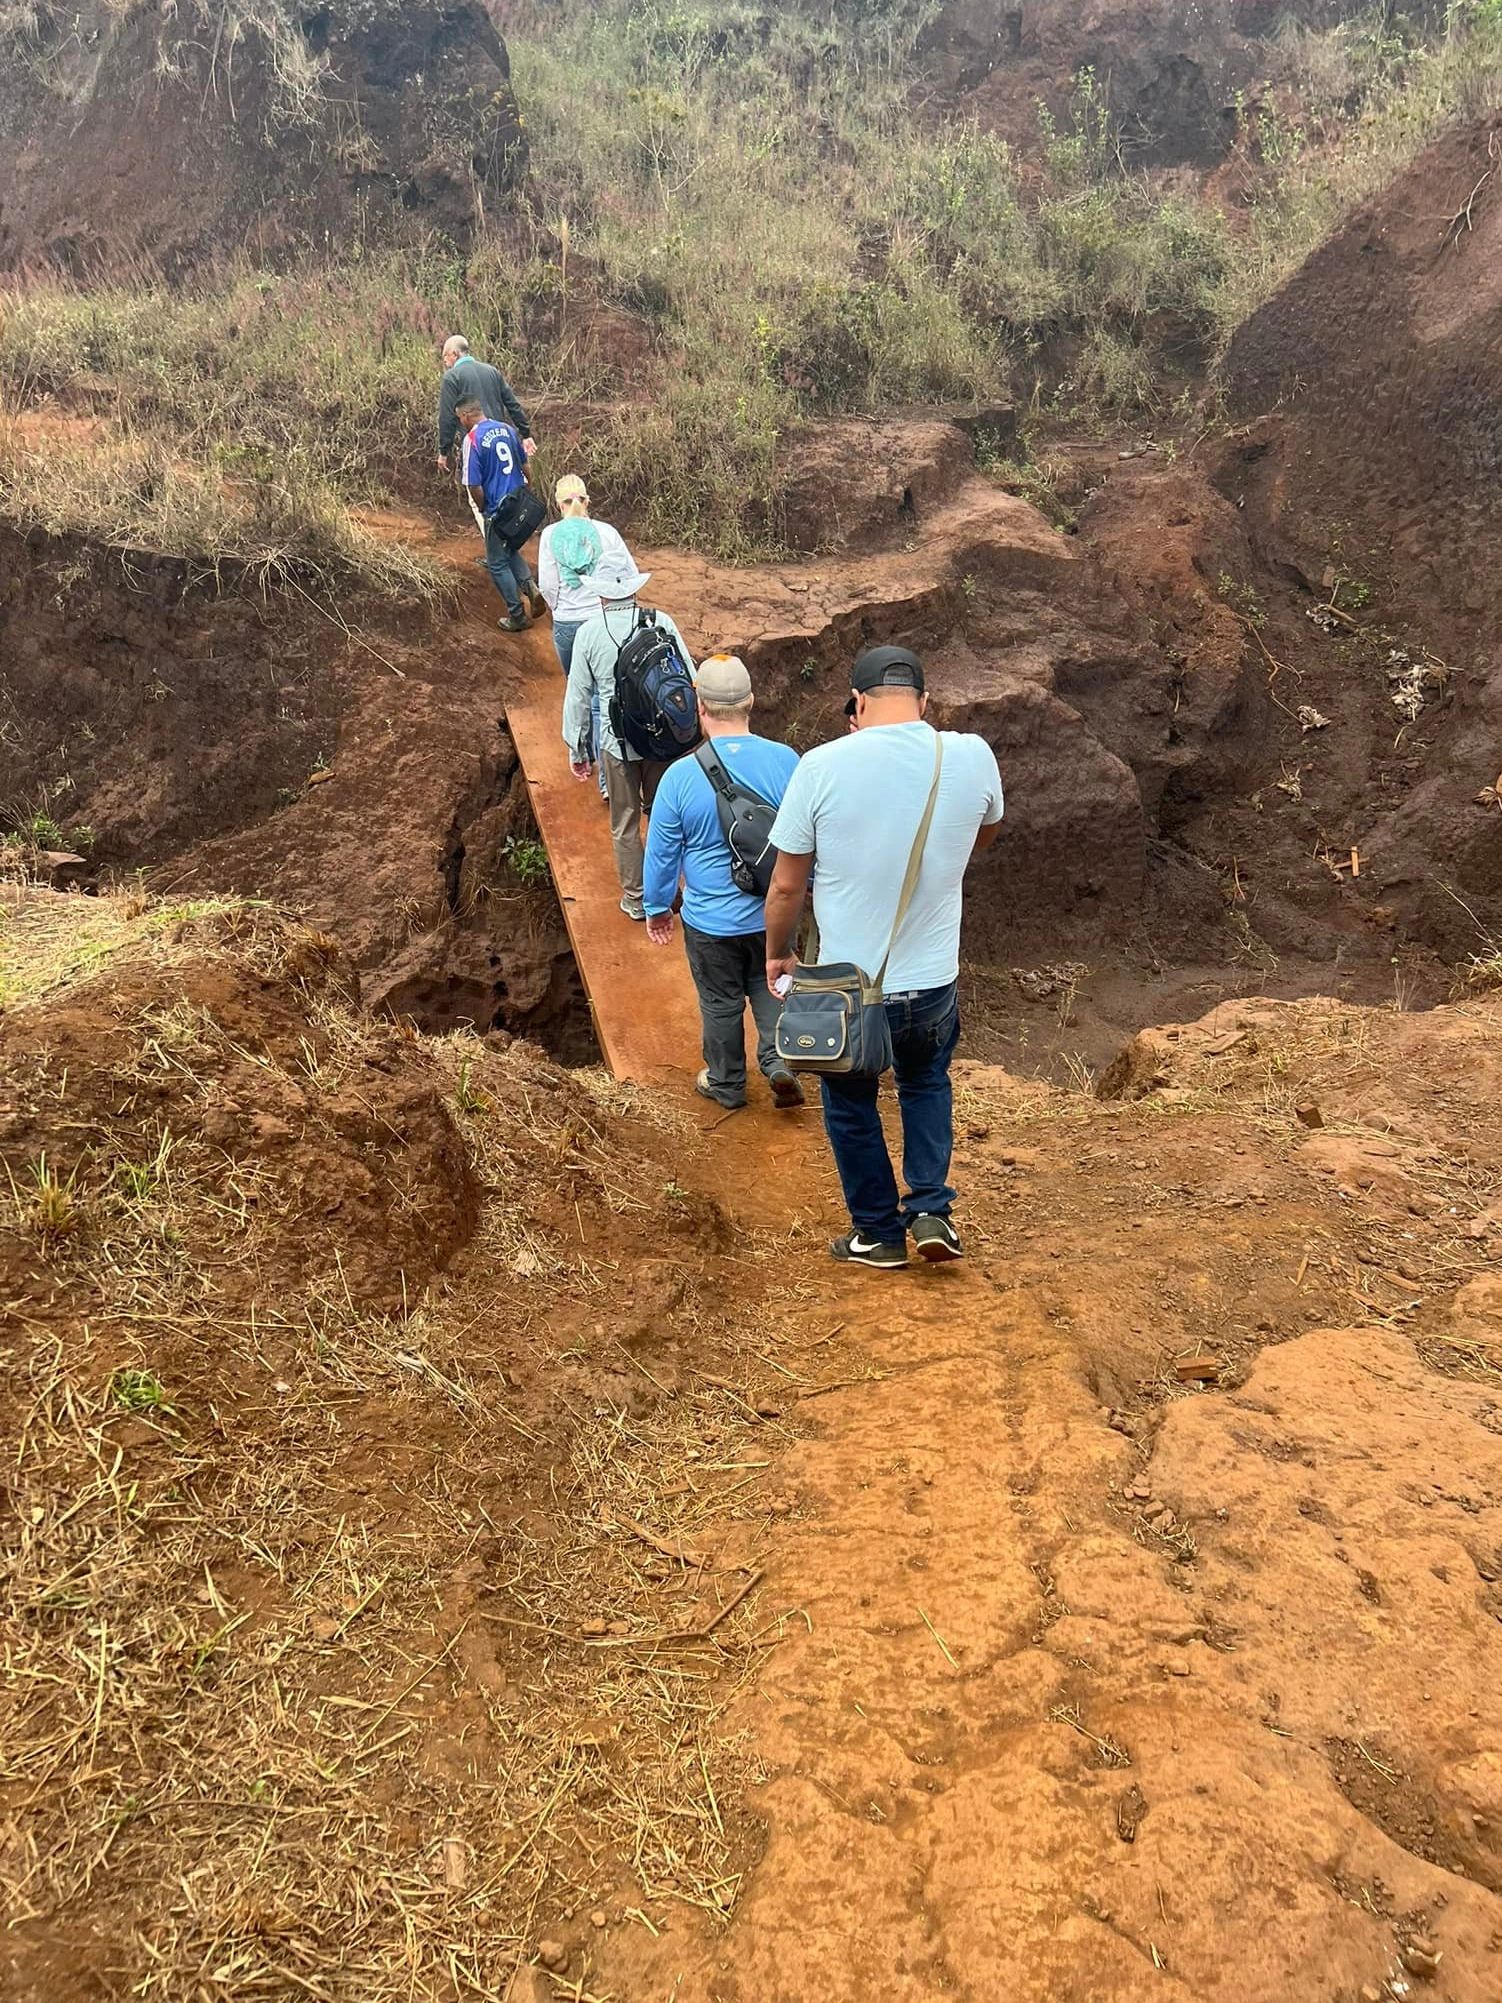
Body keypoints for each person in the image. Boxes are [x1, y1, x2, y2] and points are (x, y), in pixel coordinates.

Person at [763, 645, 1004, 1271]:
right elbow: (984, 832)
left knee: (850, 1105)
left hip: (849, 987)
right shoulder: (971, 754)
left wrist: (779, 954)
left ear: (858, 702)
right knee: (926, 1083)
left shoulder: (820, 766)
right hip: (932, 983)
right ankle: (930, 1209)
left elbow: (787, 886)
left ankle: (877, 1233)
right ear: (924, 701)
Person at [642, 655, 805, 1112]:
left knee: (720, 1002)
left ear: (699, 706)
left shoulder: (679, 777)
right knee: (774, 985)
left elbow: (661, 854)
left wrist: (657, 908)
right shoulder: (786, 762)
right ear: (750, 702)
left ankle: (727, 1082)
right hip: (774, 911)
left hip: (710, 922)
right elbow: (808, 837)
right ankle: (779, 1062)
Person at [563, 552, 695, 922]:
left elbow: (578, 695)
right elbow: (689, 676)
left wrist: (577, 748)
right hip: (663, 742)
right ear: (634, 589)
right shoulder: (661, 622)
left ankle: (637, 899)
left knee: (625, 823)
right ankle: (673, 892)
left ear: (601, 593)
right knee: (665, 818)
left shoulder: (589, 633)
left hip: (617, 744)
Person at [460, 396, 545, 632]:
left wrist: (484, 509)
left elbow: (473, 484)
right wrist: (528, 490)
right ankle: (529, 586)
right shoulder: (507, 429)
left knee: (497, 562)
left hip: (498, 507)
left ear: (466, 416)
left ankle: (517, 616)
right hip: (518, 500)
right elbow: (525, 465)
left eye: (460, 418)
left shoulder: (472, 439)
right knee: (508, 548)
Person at [436, 335, 536, 474]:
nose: (445, 361)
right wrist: (525, 434)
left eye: (445, 356)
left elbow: (447, 417)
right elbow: (512, 404)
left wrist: (443, 451)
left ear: (455, 353)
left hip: (476, 445)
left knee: (477, 485)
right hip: (500, 439)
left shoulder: (452, 377)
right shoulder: (491, 371)